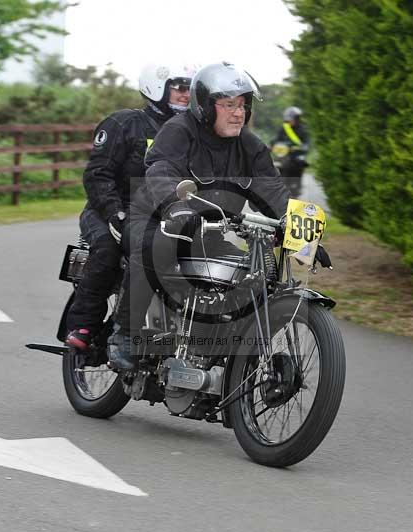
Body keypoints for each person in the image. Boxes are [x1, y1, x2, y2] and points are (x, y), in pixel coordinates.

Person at [106, 62, 292, 371]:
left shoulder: (250, 146)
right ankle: (124, 335)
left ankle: (217, 344)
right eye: (229, 105)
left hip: (209, 232)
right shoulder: (179, 131)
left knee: (252, 272)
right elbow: (162, 169)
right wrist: (176, 205)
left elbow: (273, 191)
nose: (238, 113)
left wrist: (296, 226)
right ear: (206, 106)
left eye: (243, 106)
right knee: (156, 247)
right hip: (157, 219)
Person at [65, 63, 198, 352]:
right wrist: (115, 214)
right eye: (180, 88)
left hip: (162, 216)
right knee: (107, 252)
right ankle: (84, 325)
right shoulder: (124, 123)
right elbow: (97, 174)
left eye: (191, 88)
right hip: (108, 212)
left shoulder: (192, 134)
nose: (187, 95)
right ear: (157, 87)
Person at [272, 106, 310, 196]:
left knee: (300, 162)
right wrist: (272, 145)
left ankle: (297, 186)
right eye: (288, 119)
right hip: (283, 155)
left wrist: (302, 148)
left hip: (296, 155)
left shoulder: (302, 130)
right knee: (274, 164)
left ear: (297, 119)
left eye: (291, 119)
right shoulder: (284, 128)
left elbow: (306, 144)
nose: (289, 121)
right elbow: (276, 139)